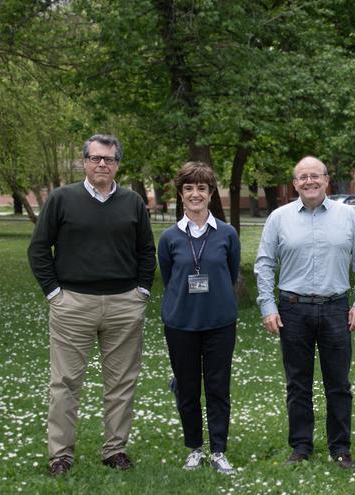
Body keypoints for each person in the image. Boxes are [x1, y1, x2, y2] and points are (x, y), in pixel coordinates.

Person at [28, 134, 155, 477]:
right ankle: (61, 455)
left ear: (117, 165)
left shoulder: (132, 202)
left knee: (122, 381)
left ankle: (115, 449)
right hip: (73, 304)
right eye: (96, 158)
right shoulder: (62, 199)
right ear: (84, 161)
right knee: (65, 381)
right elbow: (39, 249)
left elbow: (146, 251)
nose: (102, 164)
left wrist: (141, 292)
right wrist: (55, 293)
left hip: (124, 304)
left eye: (109, 160)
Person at [254, 156, 355, 469]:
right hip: (292, 310)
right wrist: (267, 305)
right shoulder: (279, 218)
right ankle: (301, 446)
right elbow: (265, 263)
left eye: (315, 176)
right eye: (302, 177)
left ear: (326, 180)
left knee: (338, 384)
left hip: (336, 309)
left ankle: (340, 448)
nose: (309, 181)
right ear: (295, 183)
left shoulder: (347, 216)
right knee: (297, 384)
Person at [158, 162, 241, 475]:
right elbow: (169, 277)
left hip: (220, 323)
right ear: (181, 194)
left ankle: (219, 449)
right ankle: (194, 448)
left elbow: (230, 273)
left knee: (219, 388)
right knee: (188, 388)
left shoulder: (227, 234)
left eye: (202, 188)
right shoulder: (169, 238)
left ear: (211, 193)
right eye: (189, 188)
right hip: (181, 324)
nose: (195, 194)